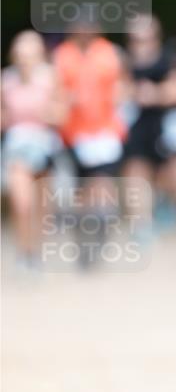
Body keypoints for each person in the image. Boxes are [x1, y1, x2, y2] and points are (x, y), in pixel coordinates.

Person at [53, 17, 128, 268]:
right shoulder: (62, 56)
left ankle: (102, 222)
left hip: (105, 132)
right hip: (74, 135)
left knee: (101, 182)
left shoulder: (109, 54)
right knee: (81, 193)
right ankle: (86, 239)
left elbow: (123, 86)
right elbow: (54, 92)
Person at [123, 15, 176, 232]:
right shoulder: (125, 63)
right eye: (136, 39)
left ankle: (169, 204)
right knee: (135, 168)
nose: (140, 45)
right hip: (138, 122)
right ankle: (141, 221)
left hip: (167, 121)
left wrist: (154, 94)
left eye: (145, 39)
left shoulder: (169, 59)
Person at [1, 30, 64, 270]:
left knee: (41, 205)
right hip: (17, 147)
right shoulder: (6, 81)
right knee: (21, 203)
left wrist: (49, 115)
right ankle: (22, 250)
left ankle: (34, 252)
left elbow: (62, 112)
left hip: (44, 145)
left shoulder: (50, 78)